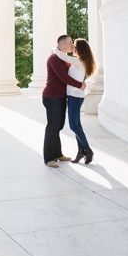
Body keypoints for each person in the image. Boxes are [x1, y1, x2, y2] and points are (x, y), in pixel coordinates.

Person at [42, 35, 86, 168]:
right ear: (62, 44)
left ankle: (57, 154)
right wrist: (80, 85)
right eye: (70, 42)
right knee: (53, 127)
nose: (72, 45)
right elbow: (63, 77)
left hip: (60, 96)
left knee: (58, 126)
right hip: (52, 97)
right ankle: (49, 158)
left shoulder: (61, 57)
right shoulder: (55, 58)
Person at [51, 38, 97, 164]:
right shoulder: (80, 61)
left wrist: (54, 49)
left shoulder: (78, 61)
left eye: (74, 46)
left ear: (80, 49)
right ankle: (81, 150)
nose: (72, 48)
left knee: (73, 126)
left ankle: (87, 149)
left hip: (75, 97)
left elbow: (62, 56)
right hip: (75, 96)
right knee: (77, 125)